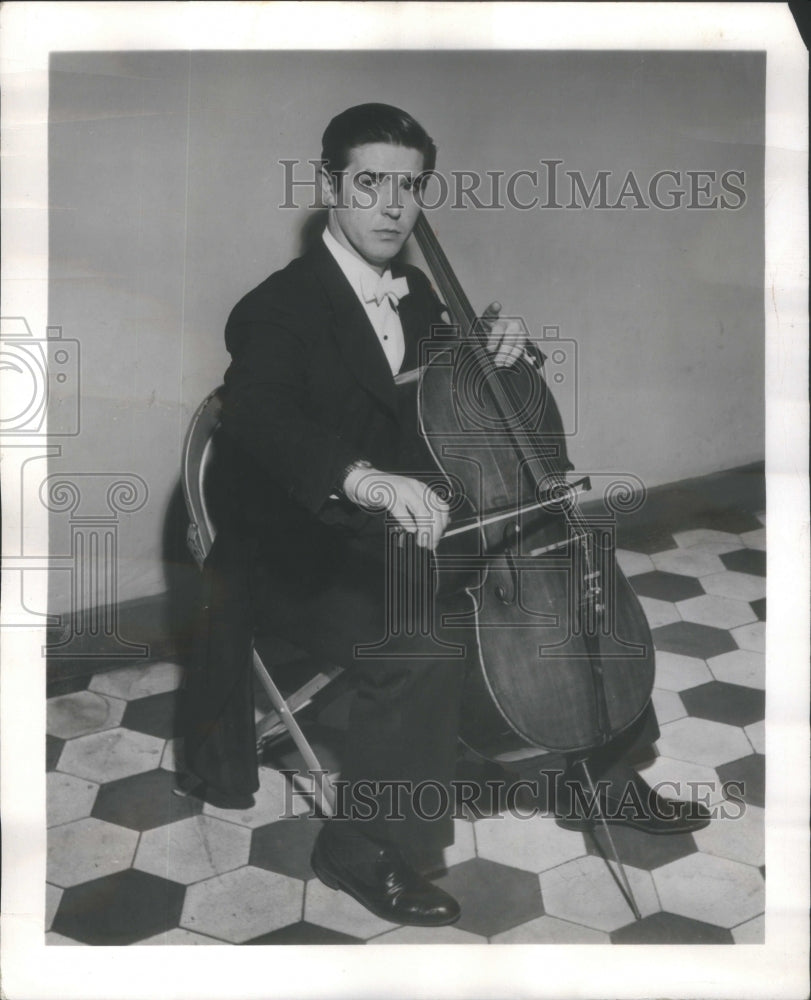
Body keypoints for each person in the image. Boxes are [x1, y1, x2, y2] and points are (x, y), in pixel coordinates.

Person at [183, 103, 710, 928]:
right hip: (298, 547)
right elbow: (259, 416)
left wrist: (497, 349)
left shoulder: (417, 287)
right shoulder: (276, 308)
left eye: (408, 185)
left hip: (417, 522)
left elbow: (449, 405)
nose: (393, 206)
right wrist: (364, 481)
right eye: (370, 183)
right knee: (419, 640)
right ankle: (361, 848)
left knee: (570, 582)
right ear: (329, 188)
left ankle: (596, 775)